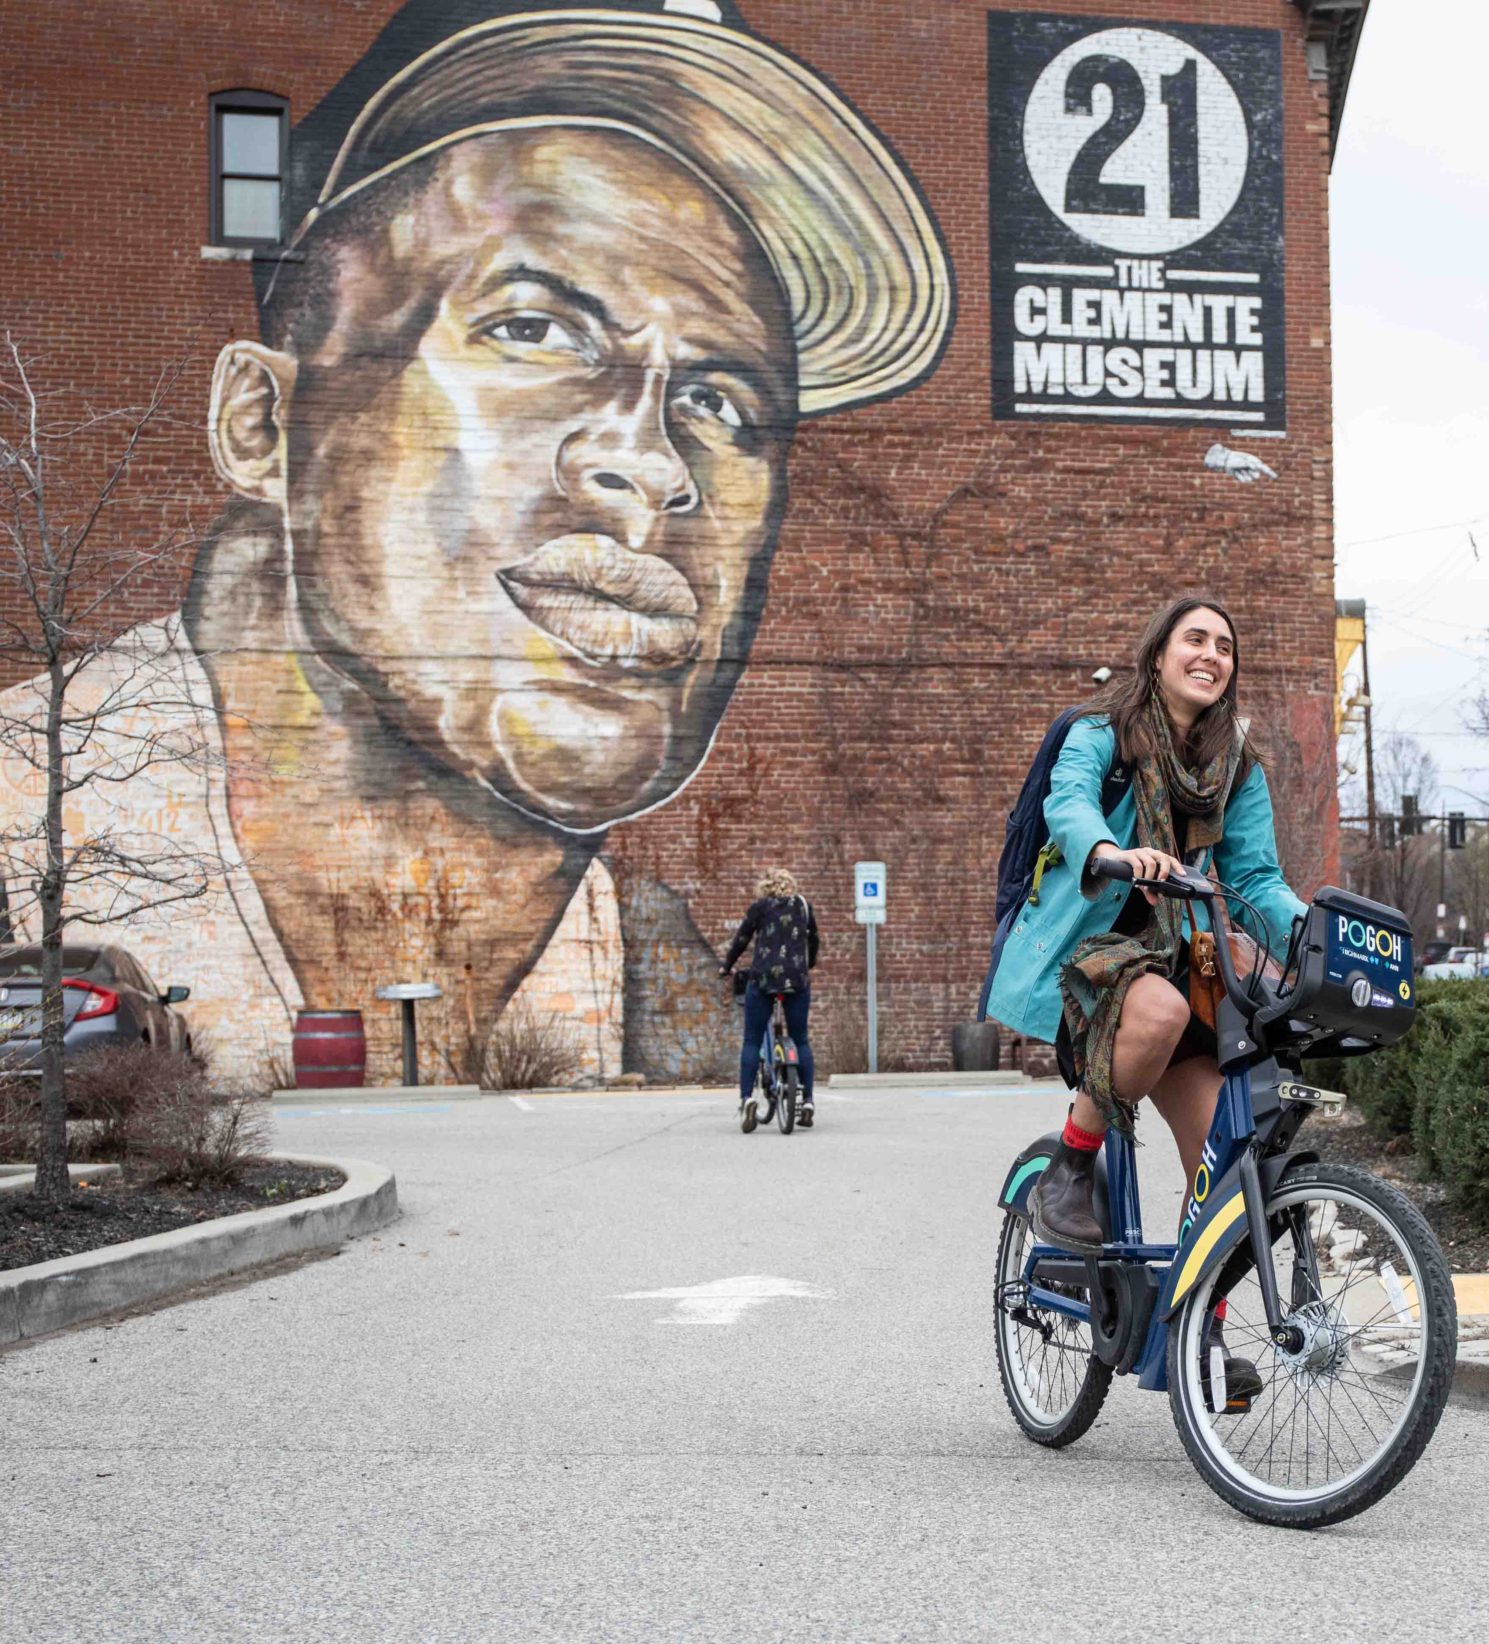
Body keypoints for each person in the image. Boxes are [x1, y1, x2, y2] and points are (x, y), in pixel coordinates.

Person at [0, 0, 952, 1085]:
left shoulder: (654, 942)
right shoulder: (31, 793)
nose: (652, 464)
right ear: (262, 424)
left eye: (723, 403)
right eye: (535, 330)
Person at [983, 596, 1305, 1259]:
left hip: (1187, 965)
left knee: (1232, 1164)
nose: (1210, 655)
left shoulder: (1235, 766)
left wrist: (1317, 930)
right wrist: (1112, 853)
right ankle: (1069, 1167)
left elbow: (1256, 881)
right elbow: (1068, 800)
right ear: (1159, 654)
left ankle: (1185, 1340)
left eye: (1224, 646)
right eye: (1195, 639)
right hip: (1094, 966)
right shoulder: (1106, 729)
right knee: (1158, 1009)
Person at [723, 869, 821, 1126]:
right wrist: (806, 966)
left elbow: (741, 939)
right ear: (792, 886)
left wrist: (726, 965)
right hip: (797, 980)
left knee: (752, 1040)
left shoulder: (760, 908)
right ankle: (808, 1100)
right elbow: (815, 940)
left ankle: (746, 1099)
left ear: (765, 887)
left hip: (764, 979)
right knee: (800, 1039)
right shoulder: (803, 907)